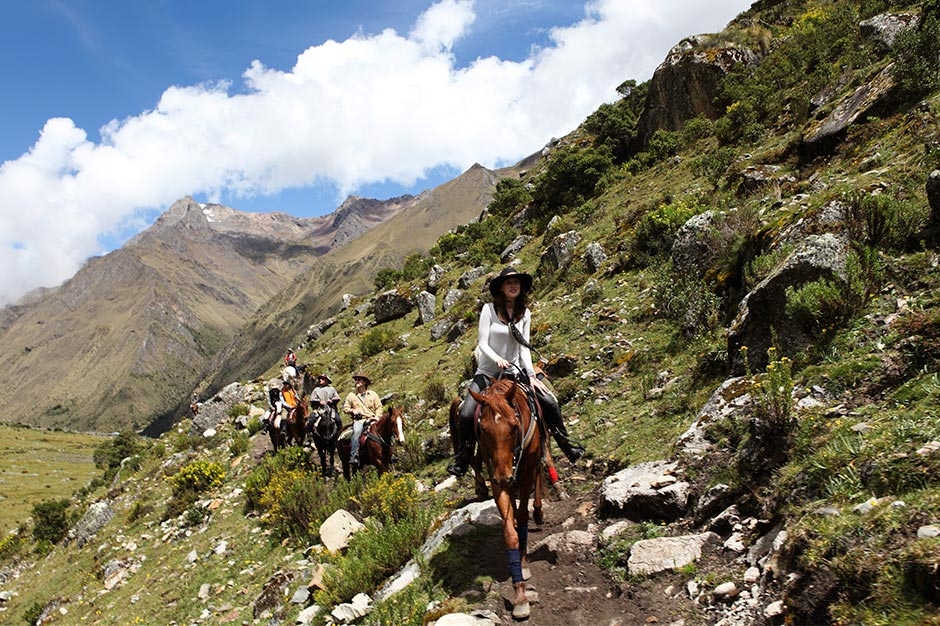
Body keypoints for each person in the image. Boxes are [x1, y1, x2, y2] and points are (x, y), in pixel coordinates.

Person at [447, 267, 585, 477]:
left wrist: (530, 375)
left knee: (548, 401)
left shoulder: (525, 314)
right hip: (486, 372)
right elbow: (483, 343)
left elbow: (524, 347)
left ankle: (566, 445)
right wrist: (497, 359)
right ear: (501, 288)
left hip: (514, 372)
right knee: (466, 413)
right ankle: (463, 459)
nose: (513, 286)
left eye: (517, 283)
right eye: (508, 282)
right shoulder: (488, 310)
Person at [342, 372, 383, 468]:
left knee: (385, 430)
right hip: (359, 420)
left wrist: (377, 416)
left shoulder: (373, 394)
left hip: (373, 418)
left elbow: (379, 407)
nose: (356, 381)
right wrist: (352, 410)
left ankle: (392, 452)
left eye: (359, 379)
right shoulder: (351, 395)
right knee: (356, 432)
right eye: (356, 380)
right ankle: (354, 455)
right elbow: (345, 408)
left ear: (365, 382)